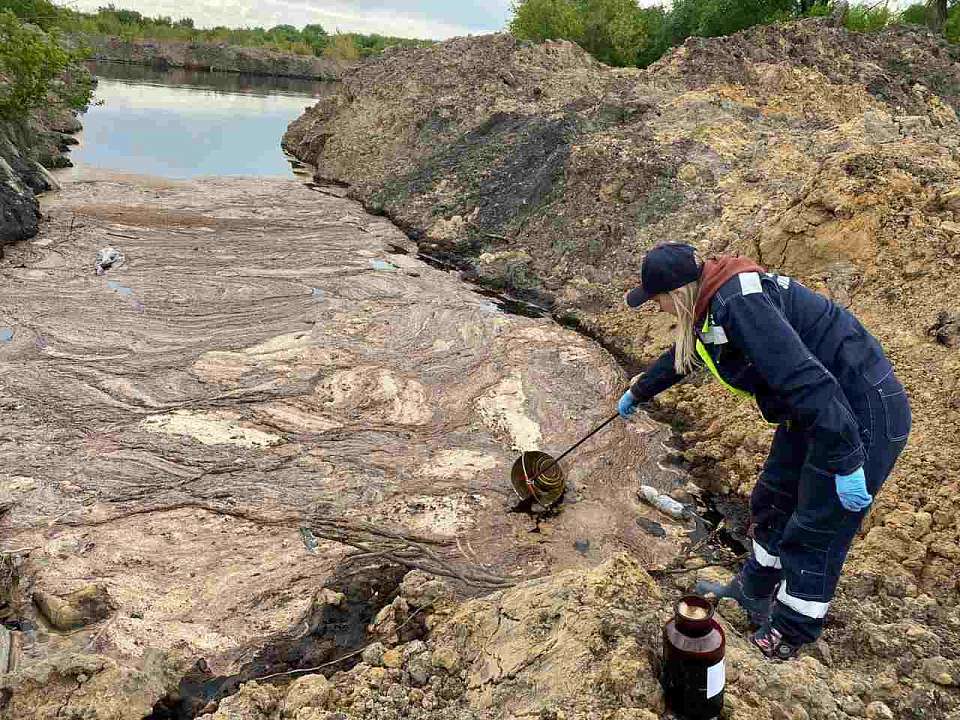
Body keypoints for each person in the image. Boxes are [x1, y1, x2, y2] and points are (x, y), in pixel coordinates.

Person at [618, 243, 911, 661]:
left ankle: (791, 630)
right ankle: (753, 590)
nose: (659, 309)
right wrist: (641, 389)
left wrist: (847, 458)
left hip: (858, 409)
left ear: (678, 292)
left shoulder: (741, 303)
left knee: (817, 523)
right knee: (774, 498)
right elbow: (693, 354)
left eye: (658, 301)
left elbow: (806, 379)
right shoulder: (713, 302)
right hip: (815, 409)